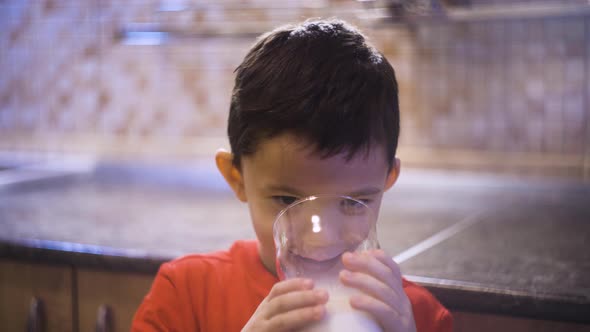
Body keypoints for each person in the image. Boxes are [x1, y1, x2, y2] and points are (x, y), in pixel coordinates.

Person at [132, 18, 452, 332]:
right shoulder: (186, 295)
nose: (321, 240)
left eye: (354, 202)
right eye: (287, 199)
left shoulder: (414, 317)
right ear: (236, 177)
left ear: (387, 180)